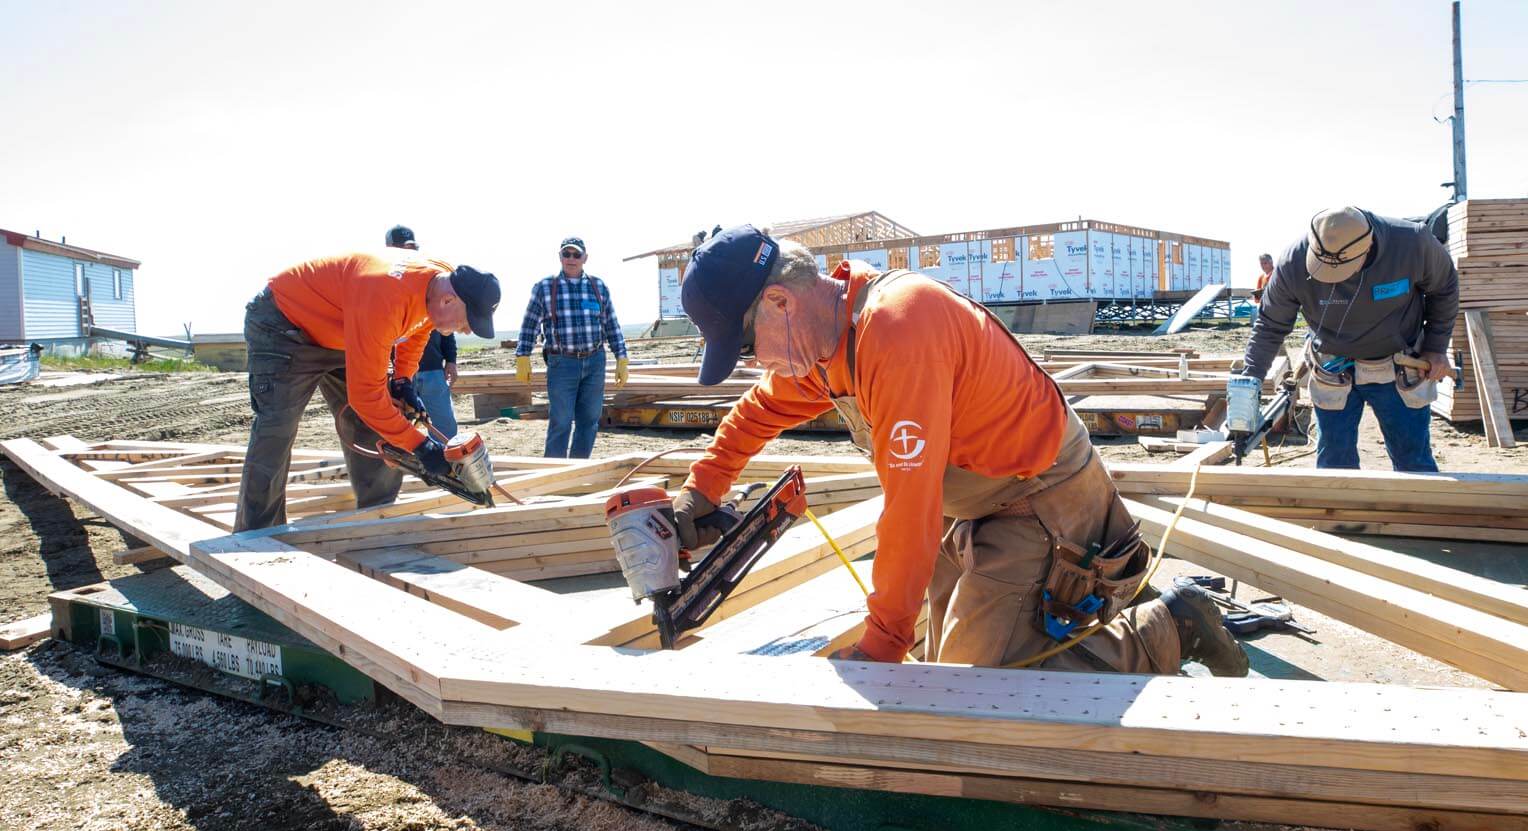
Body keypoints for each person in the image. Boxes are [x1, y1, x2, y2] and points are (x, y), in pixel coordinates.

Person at [670, 225, 1247, 674]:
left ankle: (1171, 627)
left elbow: (909, 507)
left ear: (779, 303)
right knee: (936, 659)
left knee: (976, 689)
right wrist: (702, 492)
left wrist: (882, 644)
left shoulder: (897, 328)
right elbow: (760, 409)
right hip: (975, 505)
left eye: (747, 345)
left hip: (1042, 499)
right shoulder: (825, 343)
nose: (755, 362)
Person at [235, 251, 499, 532]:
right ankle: (255, 535)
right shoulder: (385, 297)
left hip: (344, 328)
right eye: (466, 321)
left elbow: (421, 326)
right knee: (278, 427)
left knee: (376, 427)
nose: (467, 330)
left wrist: (402, 381)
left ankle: (377, 520)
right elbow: (366, 398)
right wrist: (420, 446)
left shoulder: (438, 280)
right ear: (449, 299)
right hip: (284, 324)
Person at [1237, 206, 1458, 472]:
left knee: (1413, 462)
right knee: (1334, 466)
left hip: (1399, 365)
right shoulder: (1292, 263)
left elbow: (1445, 288)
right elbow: (1270, 325)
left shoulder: (1412, 244)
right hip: (1332, 368)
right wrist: (1248, 386)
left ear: (1368, 247)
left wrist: (1435, 347)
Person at [514, 236, 629, 458]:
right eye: (566, 254)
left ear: (585, 258)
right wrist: (523, 355)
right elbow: (530, 324)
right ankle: (554, 472)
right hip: (562, 363)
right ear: (560, 256)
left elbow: (611, 324)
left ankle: (578, 468)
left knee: (589, 421)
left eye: (576, 254)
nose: (571, 258)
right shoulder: (545, 287)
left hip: (595, 361)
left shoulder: (598, 287)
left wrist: (621, 358)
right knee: (561, 422)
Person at [383, 226, 459, 441]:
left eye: (410, 248)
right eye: (400, 248)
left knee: (445, 428)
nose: (406, 253)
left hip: (432, 368)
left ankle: (448, 468)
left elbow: (446, 327)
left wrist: (451, 360)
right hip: (399, 374)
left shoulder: (431, 282)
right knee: (400, 428)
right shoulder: (383, 288)